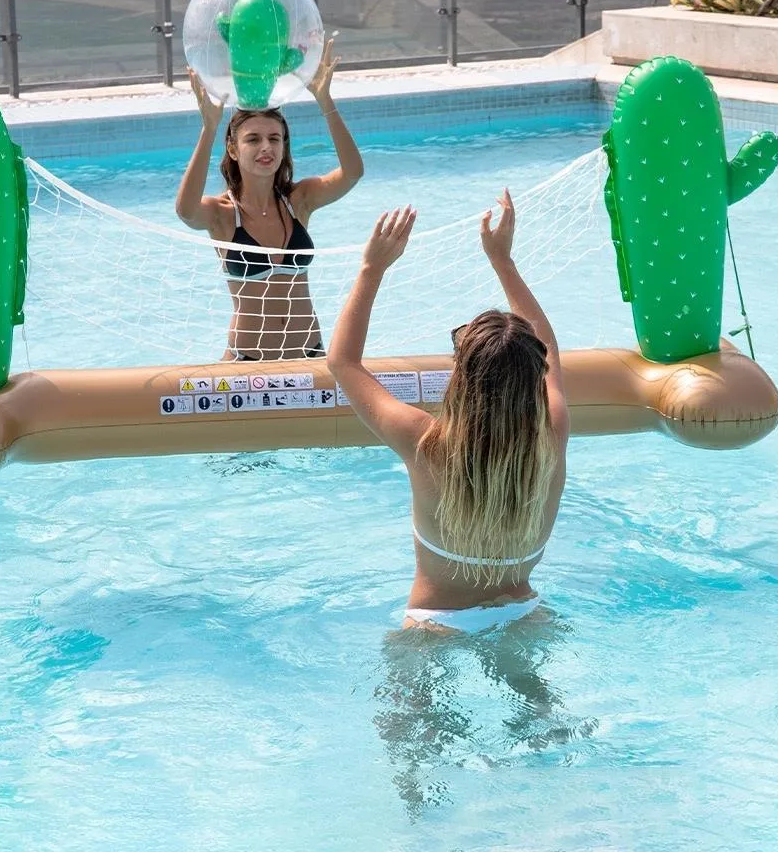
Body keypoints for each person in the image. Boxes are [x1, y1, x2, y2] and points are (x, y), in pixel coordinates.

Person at [327, 189, 570, 633]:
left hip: (435, 622)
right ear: (533, 379)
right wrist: (503, 261)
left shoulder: (425, 441)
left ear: (462, 378)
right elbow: (549, 347)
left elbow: (342, 362)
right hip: (521, 615)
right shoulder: (551, 432)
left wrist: (371, 268)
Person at [174, 38, 364, 361]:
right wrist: (209, 128)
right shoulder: (222, 215)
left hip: (309, 355)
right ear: (233, 150)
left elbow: (352, 172)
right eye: (254, 139)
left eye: (275, 138)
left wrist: (325, 100)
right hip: (248, 365)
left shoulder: (298, 201)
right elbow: (185, 210)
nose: (267, 147)